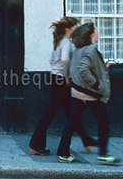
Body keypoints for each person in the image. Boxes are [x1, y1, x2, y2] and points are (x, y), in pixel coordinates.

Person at [29, 17, 97, 156]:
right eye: (75, 27)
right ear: (68, 29)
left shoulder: (59, 41)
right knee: (51, 113)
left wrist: (57, 70)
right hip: (61, 81)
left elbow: (52, 59)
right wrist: (66, 76)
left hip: (55, 78)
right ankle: (35, 145)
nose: (77, 29)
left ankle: (87, 140)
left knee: (71, 111)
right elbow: (65, 59)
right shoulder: (66, 42)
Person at [57, 22, 121, 165]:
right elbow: (83, 69)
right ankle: (103, 154)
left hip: (77, 90)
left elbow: (78, 68)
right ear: (91, 34)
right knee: (104, 121)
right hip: (88, 92)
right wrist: (96, 84)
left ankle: (63, 153)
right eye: (96, 29)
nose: (98, 31)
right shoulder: (90, 50)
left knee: (72, 121)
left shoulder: (79, 49)